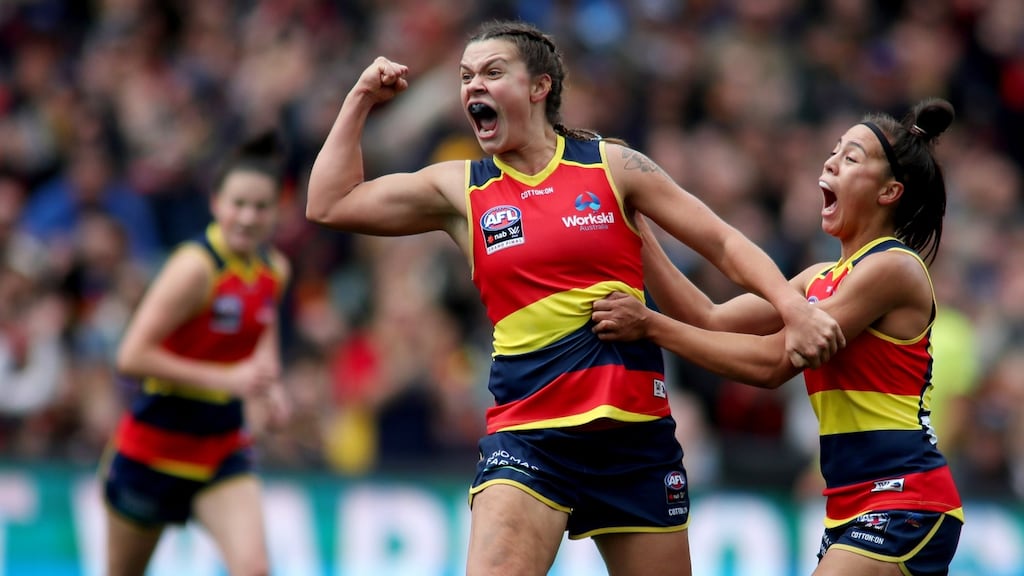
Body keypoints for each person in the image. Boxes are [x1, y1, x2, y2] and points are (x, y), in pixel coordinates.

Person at [306, 19, 843, 576]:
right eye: (465, 77)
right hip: (529, 439)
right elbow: (329, 202)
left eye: (492, 72)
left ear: (539, 87)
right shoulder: (460, 187)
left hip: (637, 442)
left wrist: (793, 308)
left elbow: (724, 243)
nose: (472, 87)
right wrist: (362, 97)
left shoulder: (612, 165)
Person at [592, 98, 964, 575]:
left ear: (889, 191)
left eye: (850, 157)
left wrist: (650, 325)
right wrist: (633, 217)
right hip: (851, 504)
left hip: (906, 498)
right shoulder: (818, 278)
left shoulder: (893, 268)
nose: (830, 161)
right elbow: (709, 317)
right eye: (833, 152)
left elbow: (773, 365)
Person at [99, 131, 292, 576]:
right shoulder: (194, 268)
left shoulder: (274, 270)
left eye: (260, 207)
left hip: (220, 446)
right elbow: (130, 356)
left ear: (276, 212)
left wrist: (271, 387)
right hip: (152, 447)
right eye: (237, 204)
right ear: (215, 204)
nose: (247, 217)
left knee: (254, 568)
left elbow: (261, 332)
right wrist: (227, 379)